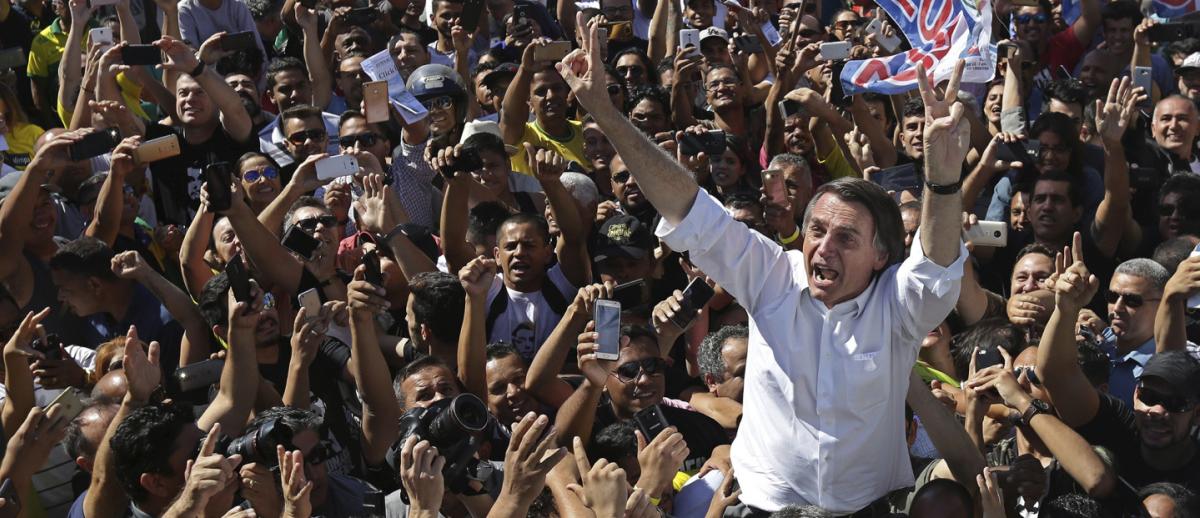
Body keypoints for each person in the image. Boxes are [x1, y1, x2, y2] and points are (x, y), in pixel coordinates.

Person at [556, 20, 969, 512]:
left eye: (846, 238)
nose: (824, 248)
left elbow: (937, 268)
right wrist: (605, 110)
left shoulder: (897, 306)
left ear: (881, 255)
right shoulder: (773, 275)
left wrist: (942, 179)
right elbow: (689, 207)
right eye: (816, 231)